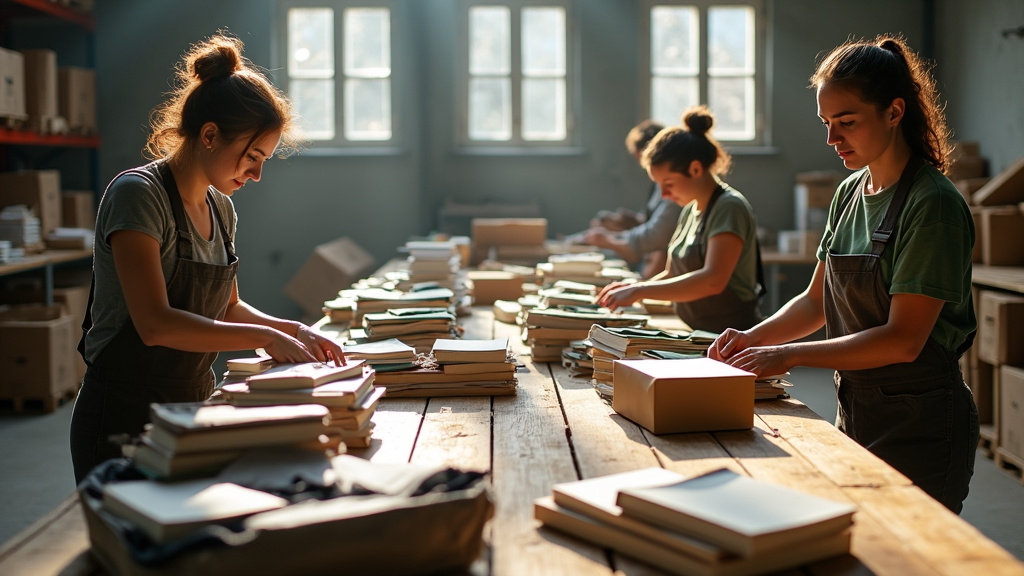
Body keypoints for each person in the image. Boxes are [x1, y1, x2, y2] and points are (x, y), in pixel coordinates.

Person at [708, 35, 978, 514]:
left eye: (847, 122)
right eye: (827, 123)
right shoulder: (850, 191)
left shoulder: (932, 205)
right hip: (857, 407)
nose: (832, 139)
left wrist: (787, 355)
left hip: (922, 422)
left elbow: (903, 340)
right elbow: (815, 302)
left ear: (894, 113)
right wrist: (750, 340)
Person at [69, 33, 345, 484]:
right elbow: (154, 324)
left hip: (193, 404)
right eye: (252, 156)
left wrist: (289, 329)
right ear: (210, 135)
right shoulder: (138, 196)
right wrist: (265, 338)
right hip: (123, 410)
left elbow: (227, 307)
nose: (256, 174)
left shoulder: (221, 208)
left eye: (264, 160)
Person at [597, 106, 764, 333]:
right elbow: (672, 274)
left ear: (695, 169)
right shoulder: (689, 210)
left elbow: (713, 280)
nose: (664, 195)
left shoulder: (729, 207)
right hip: (696, 331)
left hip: (731, 336)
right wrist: (634, 288)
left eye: (669, 184)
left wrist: (641, 291)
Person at [575, 120, 682, 279]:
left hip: (658, 255)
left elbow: (658, 235)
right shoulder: (660, 185)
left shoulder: (675, 187)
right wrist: (632, 221)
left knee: (658, 256)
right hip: (650, 247)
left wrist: (609, 240)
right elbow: (654, 222)